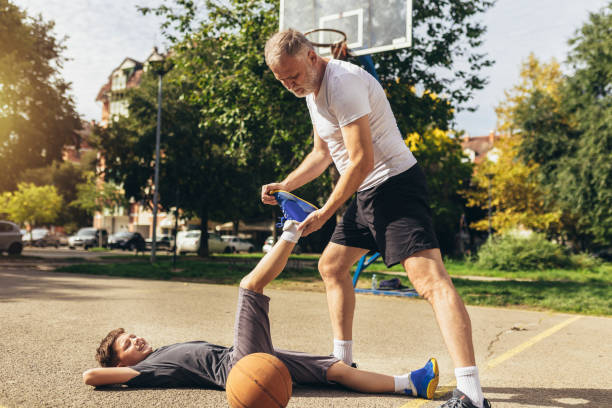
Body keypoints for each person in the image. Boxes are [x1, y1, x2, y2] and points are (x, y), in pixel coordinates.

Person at [261, 29, 491, 408]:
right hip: (367, 191)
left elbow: (361, 159)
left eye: (293, 76)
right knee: (332, 266)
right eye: (282, 80)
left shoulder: (344, 82)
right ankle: (343, 364)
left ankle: (472, 394)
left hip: (395, 186)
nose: (289, 85)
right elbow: (323, 152)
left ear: (312, 58)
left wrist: (324, 212)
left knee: (431, 283)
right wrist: (286, 183)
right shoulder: (310, 92)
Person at [82, 221, 439, 400]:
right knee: (249, 287)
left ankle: (411, 384)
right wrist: (116, 371)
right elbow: (90, 377)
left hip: (250, 358)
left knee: (336, 370)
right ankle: (291, 230)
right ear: (120, 364)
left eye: (132, 335)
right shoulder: (143, 372)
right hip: (241, 367)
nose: (136, 339)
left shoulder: (157, 355)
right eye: (127, 344)